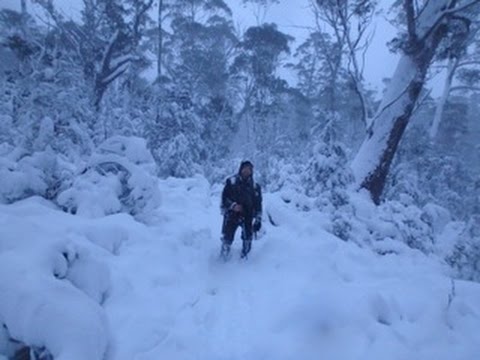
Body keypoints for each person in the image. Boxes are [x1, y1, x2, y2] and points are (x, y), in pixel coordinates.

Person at [220, 160, 262, 259]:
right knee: (227, 237)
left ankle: (245, 259)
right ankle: (223, 258)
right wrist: (233, 206)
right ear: (241, 169)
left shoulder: (255, 186)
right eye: (245, 168)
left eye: (249, 169)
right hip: (232, 214)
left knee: (248, 238)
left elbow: (258, 204)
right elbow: (224, 198)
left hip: (248, 215)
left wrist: (258, 218)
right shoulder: (231, 182)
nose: (247, 171)